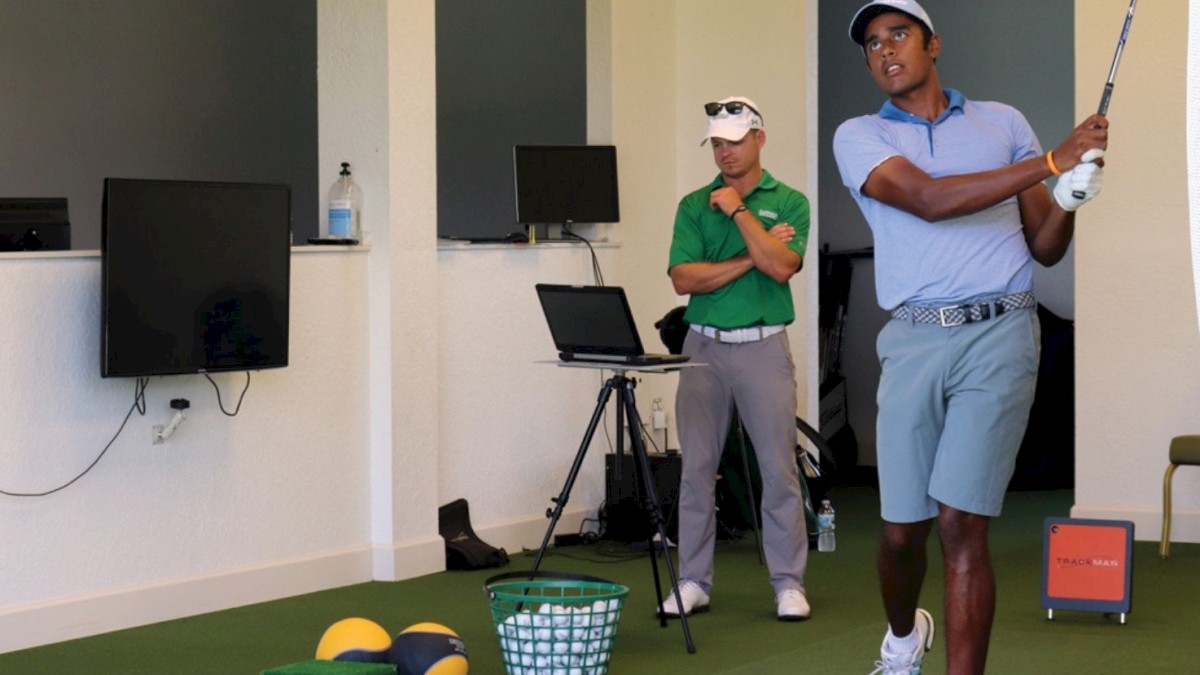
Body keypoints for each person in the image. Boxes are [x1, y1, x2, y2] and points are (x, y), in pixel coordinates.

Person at [832, 2, 1107, 673]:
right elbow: (927, 199)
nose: (885, 50)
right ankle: (903, 637)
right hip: (915, 338)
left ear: (934, 44)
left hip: (1002, 333)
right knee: (901, 532)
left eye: (898, 34)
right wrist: (1048, 161)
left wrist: (1068, 197)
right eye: (872, 43)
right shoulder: (859, 134)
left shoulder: (1002, 122)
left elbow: (1043, 247)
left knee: (962, 524)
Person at [663, 96, 812, 622]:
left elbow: (782, 269)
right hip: (702, 347)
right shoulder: (691, 204)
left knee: (777, 470)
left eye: (734, 141)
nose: (725, 152)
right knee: (697, 470)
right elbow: (685, 279)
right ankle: (692, 580)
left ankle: (788, 583)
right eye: (718, 144)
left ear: (759, 139)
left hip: (764, 348)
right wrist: (754, 251)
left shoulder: (790, 201)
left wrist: (739, 211)